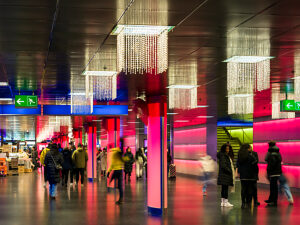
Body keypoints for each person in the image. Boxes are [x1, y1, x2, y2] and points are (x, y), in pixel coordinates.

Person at [236, 144, 258, 209]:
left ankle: (243, 203)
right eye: (250, 148)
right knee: (249, 189)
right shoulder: (250, 156)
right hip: (250, 175)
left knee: (243, 189)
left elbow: (238, 165)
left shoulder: (240, 156)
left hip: (243, 175)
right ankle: (248, 203)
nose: (251, 149)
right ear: (247, 149)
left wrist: (239, 172)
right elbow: (255, 164)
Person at [265, 141, 282, 207]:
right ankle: (271, 200)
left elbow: (270, 162)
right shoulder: (278, 152)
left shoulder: (271, 154)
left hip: (273, 172)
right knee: (274, 187)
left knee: (273, 187)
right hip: (277, 172)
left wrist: (269, 170)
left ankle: (274, 201)